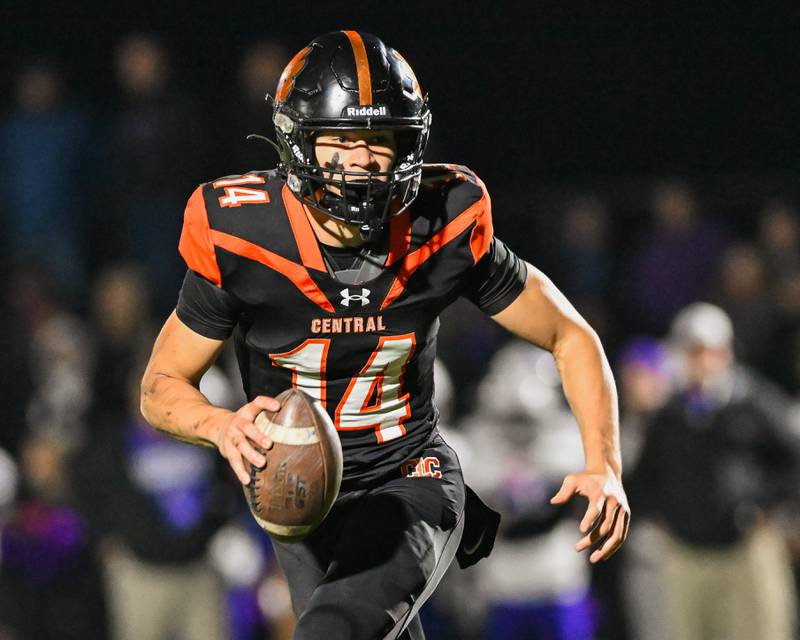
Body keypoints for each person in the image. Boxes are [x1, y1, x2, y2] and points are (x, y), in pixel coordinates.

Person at [140, 31, 630, 640]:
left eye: (379, 141)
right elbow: (161, 386)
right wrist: (220, 425)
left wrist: (604, 463)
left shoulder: (441, 219)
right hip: (298, 494)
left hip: (410, 477)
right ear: (299, 142)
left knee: (333, 632)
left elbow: (569, 335)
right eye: (341, 142)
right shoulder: (243, 232)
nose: (363, 161)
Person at [630, 302, 800, 640]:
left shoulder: (753, 401)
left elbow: (793, 457)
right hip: (687, 554)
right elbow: (645, 476)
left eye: (710, 351)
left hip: (746, 550)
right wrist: (663, 517)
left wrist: (770, 507)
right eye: (694, 352)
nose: (703, 362)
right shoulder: (668, 416)